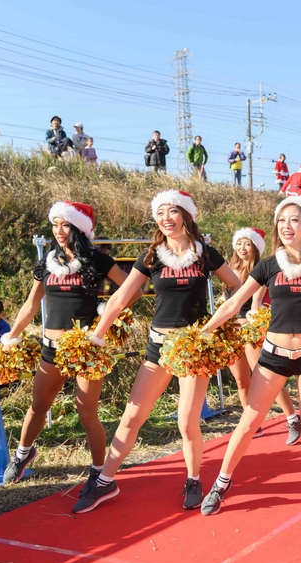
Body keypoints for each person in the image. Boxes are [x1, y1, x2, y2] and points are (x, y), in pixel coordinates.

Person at [197, 196, 301, 521]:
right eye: (282, 220)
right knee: (249, 421)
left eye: (295, 220)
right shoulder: (269, 265)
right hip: (274, 355)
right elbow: (234, 304)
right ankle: (221, 483)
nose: (287, 225)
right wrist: (205, 330)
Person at [72, 191, 240, 513]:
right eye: (160, 212)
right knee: (132, 416)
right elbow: (120, 298)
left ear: (186, 217)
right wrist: (97, 336)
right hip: (159, 346)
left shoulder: (205, 254)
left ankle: (193, 479)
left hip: (193, 348)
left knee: (187, 421)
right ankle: (106, 481)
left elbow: (237, 286)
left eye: (173, 210)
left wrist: (220, 323)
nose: (166, 217)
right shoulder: (152, 257)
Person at [1, 202, 130, 487]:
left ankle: (99, 470)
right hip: (51, 348)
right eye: (55, 224)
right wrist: (12, 335)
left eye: (66, 225)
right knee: (38, 405)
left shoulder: (96, 260)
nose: (59, 231)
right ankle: (23, 454)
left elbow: (131, 289)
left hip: (86, 349)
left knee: (87, 411)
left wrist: (105, 317)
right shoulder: (48, 261)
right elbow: (31, 304)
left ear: (79, 228)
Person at [224, 227, 301, 440]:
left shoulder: (260, 269)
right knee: (241, 381)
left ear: (256, 247)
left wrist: (254, 327)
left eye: (247, 244)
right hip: (231, 330)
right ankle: (252, 423)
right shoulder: (229, 269)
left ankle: (292, 417)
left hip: (250, 329)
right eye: (239, 243)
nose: (242, 248)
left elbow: (256, 302)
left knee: (265, 377)